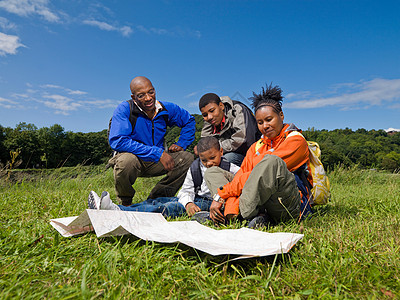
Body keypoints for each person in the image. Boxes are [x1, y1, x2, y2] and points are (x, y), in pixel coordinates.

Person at [205, 84, 313, 228]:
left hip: (287, 204)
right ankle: (233, 214)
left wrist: (222, 194)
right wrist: (229, 203)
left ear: (281, 115)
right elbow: (241, 177)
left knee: (271, 163)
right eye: (260, 122)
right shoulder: (256, 146)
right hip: (258, 201)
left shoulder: (296, 140)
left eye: (269, 119)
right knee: (213, 172)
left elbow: (257, 174)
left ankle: (239, 215)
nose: (265, 126)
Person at [88, 136, 240, 218]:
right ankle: (119, 208)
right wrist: (188, 203)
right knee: (159, 200)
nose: (209, 163)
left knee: (166, 208)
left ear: (221, 152)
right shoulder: (195, 168)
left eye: (212, 158)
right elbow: (185, 191)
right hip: (194, 199)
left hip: (210, 203)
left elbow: (241, 184)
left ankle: (119, 212)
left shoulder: (232, 169)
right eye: (204, 160)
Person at [108, 76, 195, 206]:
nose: (148, 98)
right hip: (134, 158)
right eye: (141, 95)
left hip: (157, 161)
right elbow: (118, 141)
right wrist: (157, 153)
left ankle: (156, 199)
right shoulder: (125, 109)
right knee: (126, 162)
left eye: (151, 92)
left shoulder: (167, 108)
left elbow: (189, 121)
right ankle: (125, 203)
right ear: (134, 97)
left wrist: (181, 143)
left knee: (187, 158)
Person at [198, 93, 259, 166]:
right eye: (205, 115)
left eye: (212, 111)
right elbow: (205, 145)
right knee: (198, 163)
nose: (209, 117)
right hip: (222, 153)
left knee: (227, 159)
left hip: (250, 155)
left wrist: (215, 148)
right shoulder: (209, 121)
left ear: (221, 106)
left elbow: (242, 141)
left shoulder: (237, 110)